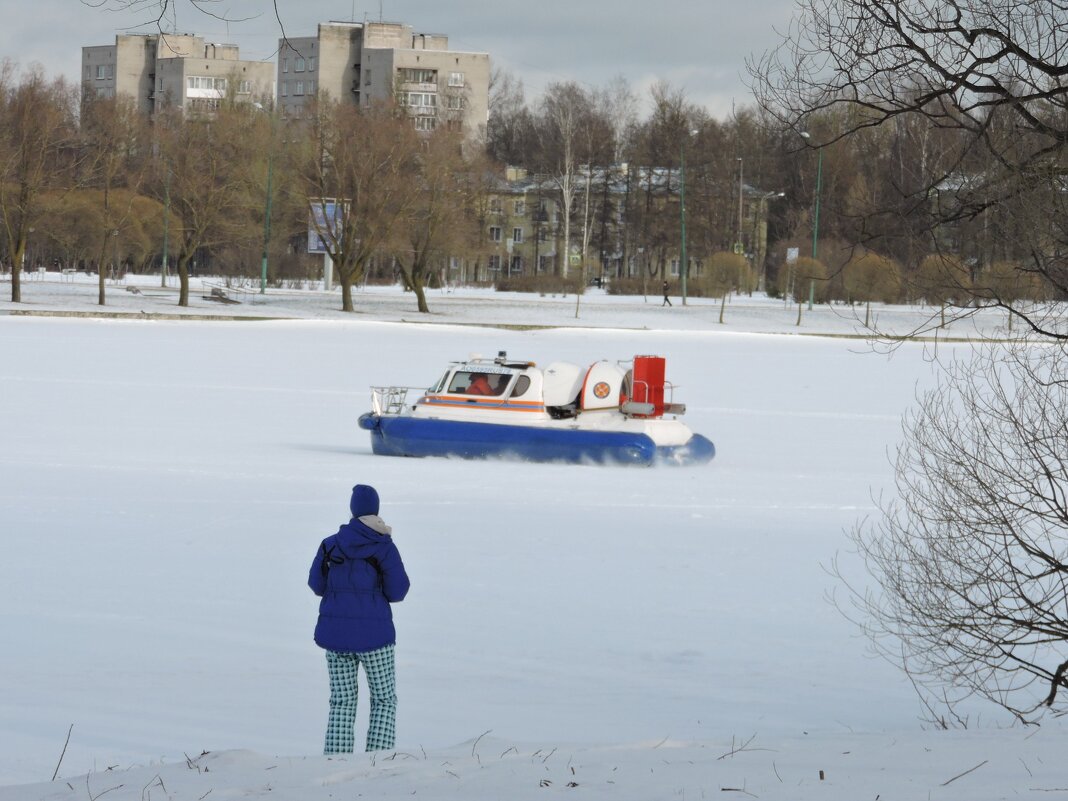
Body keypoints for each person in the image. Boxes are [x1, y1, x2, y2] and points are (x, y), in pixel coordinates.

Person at [309, 485, 410, 753]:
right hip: (376, 639)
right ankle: (378, 760)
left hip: (335, 637)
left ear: (353, 509)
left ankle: (336, 761)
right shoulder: (384, 546)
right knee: (384, 699)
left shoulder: (330, 544)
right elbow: (398, 591)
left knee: (342, 701)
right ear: (375, 509)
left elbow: (316, 585)